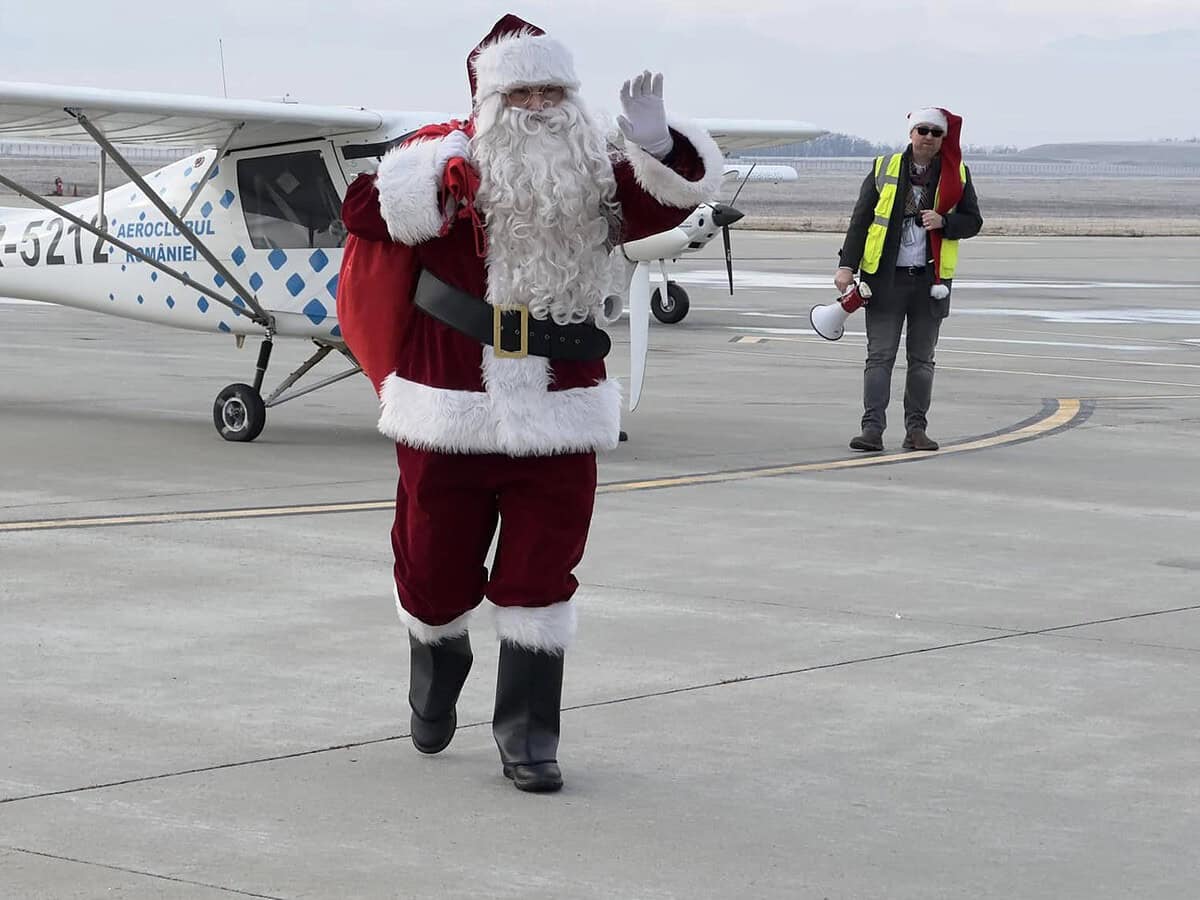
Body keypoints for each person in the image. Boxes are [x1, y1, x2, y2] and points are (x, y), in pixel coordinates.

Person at [337, 14, 722, 793]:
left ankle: (528, 736)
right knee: (434, 572)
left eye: (553, 89)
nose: (540, 104)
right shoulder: (445, 162)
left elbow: (670, 207)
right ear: (489, 99)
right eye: (522, 90)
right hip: (448, 404)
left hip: (561, 409)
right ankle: (437, 666)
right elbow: (360, 212)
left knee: (543, 577)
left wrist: (659, 147)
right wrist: (430, 185)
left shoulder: (599, 171)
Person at [835, 107, 983, 452]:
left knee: (921, 361)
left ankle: (916, 430)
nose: (928, 137)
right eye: (923, 130)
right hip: (884, 280)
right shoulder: (883, 168)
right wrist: (846, 266)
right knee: (880, 357)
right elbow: (861, 220)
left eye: (935, 132)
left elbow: (973, 221)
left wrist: (946, 223)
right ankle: (872, 429)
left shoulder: (956, 174)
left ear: (943, 139)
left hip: (930, 283)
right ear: (911, 133)